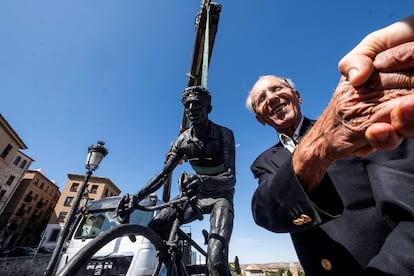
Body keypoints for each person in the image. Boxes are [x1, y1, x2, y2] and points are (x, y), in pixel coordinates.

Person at [246, 73, 414, 275]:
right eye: (261, 98)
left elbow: (408, 208)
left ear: (297, 96)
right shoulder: (264, 163)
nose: (271, 98)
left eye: (277, 88)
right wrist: (317, 148)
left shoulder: (350, 126)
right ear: (260, 118)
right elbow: (268, 212)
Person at [119, 85, 236, 276]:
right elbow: (164, 174)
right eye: (187, 105)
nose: (191, 109)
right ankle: (175, 267)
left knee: (215, 261)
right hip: (194, 195)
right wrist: (136, 197)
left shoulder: (225, 135)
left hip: (221, 195)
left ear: (209, 109)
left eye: (197, 104)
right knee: (157, 226)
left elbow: (231, 178)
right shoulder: (182, 141)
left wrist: (203, 181)